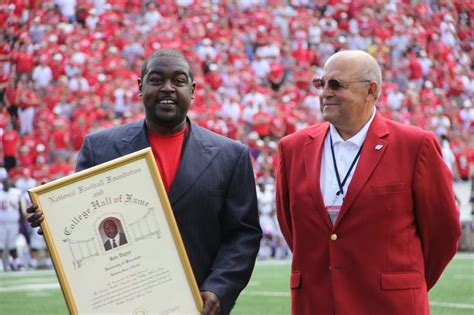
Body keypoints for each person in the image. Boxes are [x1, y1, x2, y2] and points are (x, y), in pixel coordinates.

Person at [27, 49, 262, 315]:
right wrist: (51, 217)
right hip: (121, 304)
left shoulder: (231, 156)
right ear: (140, 87)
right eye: (157, 79)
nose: (168, 88)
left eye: (179, 81)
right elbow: (82, 223)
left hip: (198, 306)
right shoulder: (100, 148)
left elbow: (244, 234)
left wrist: (219, 289)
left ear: (193, 90)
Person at [276, 50, 461, 315]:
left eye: (336, 85)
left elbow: (443, 233)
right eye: (321, 83)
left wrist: (405, 283)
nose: (325, 93)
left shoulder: (414, 145)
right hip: (316, 303)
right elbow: (291, 228)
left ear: (370, 91)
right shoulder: (292, 148)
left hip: (389, 306)